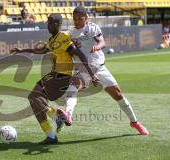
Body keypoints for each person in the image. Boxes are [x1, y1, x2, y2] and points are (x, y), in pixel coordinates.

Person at [56, 7, 149, 136]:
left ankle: (135, 123)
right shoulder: (70, 34)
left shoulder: (92, 28)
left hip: (99, 68)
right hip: (83, 69)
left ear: (86, 18)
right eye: (75, 18)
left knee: (118, 95)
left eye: (80, 18)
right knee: (73, 86)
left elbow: (102, 41)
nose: (76, 21)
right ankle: (68, 115)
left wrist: (98, 47)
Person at [10, 13, 99, 144]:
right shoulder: (52, 40)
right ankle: (50, 135)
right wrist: (22, 50)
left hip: (62, 76)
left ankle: (56, 116)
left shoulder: (63, 38)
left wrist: (92, 74)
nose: (48, 26)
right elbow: (40, 51)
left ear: (58, 24)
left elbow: (80, 55)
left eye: (50, 23)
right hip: (54, 75)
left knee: (34, 97)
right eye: (48, 23)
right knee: (35, 101)